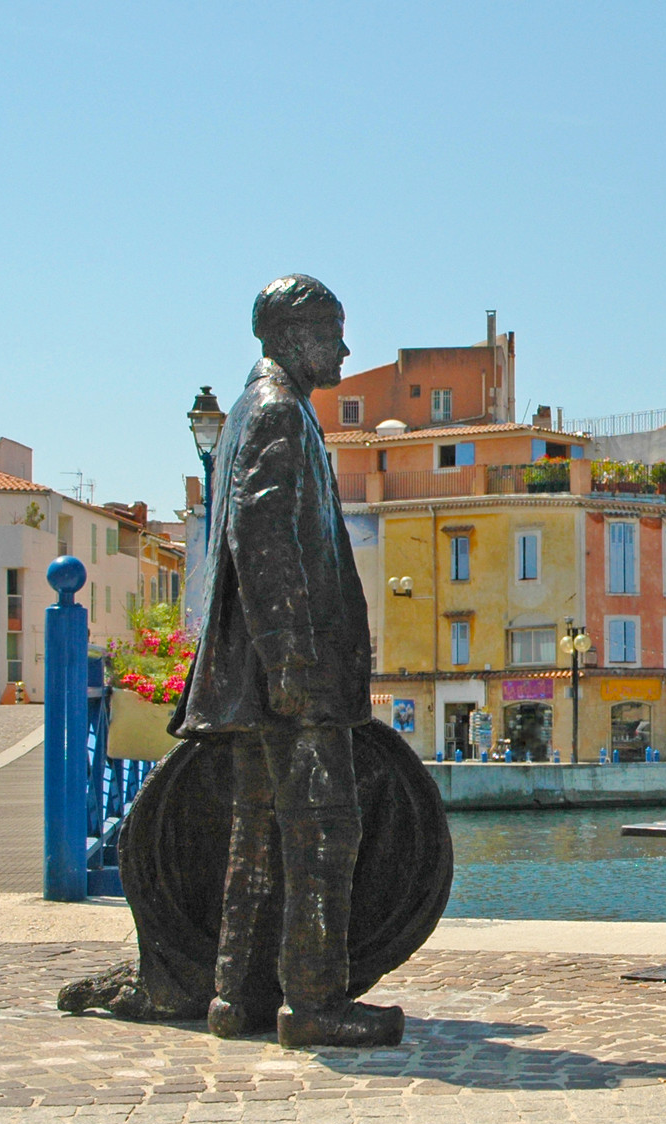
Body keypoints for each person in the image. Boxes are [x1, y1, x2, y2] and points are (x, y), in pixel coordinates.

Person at [170, 274, 401, 1048]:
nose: (344, 347)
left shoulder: (255, 412)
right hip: (290, 680)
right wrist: (296, 668)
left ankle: (236, 997)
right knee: (323, 833)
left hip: (265, 677)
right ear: (292, 335)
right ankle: (312, 1004)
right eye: (333, 330)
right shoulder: (277, 413)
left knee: (257, 837)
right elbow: (267, 547)